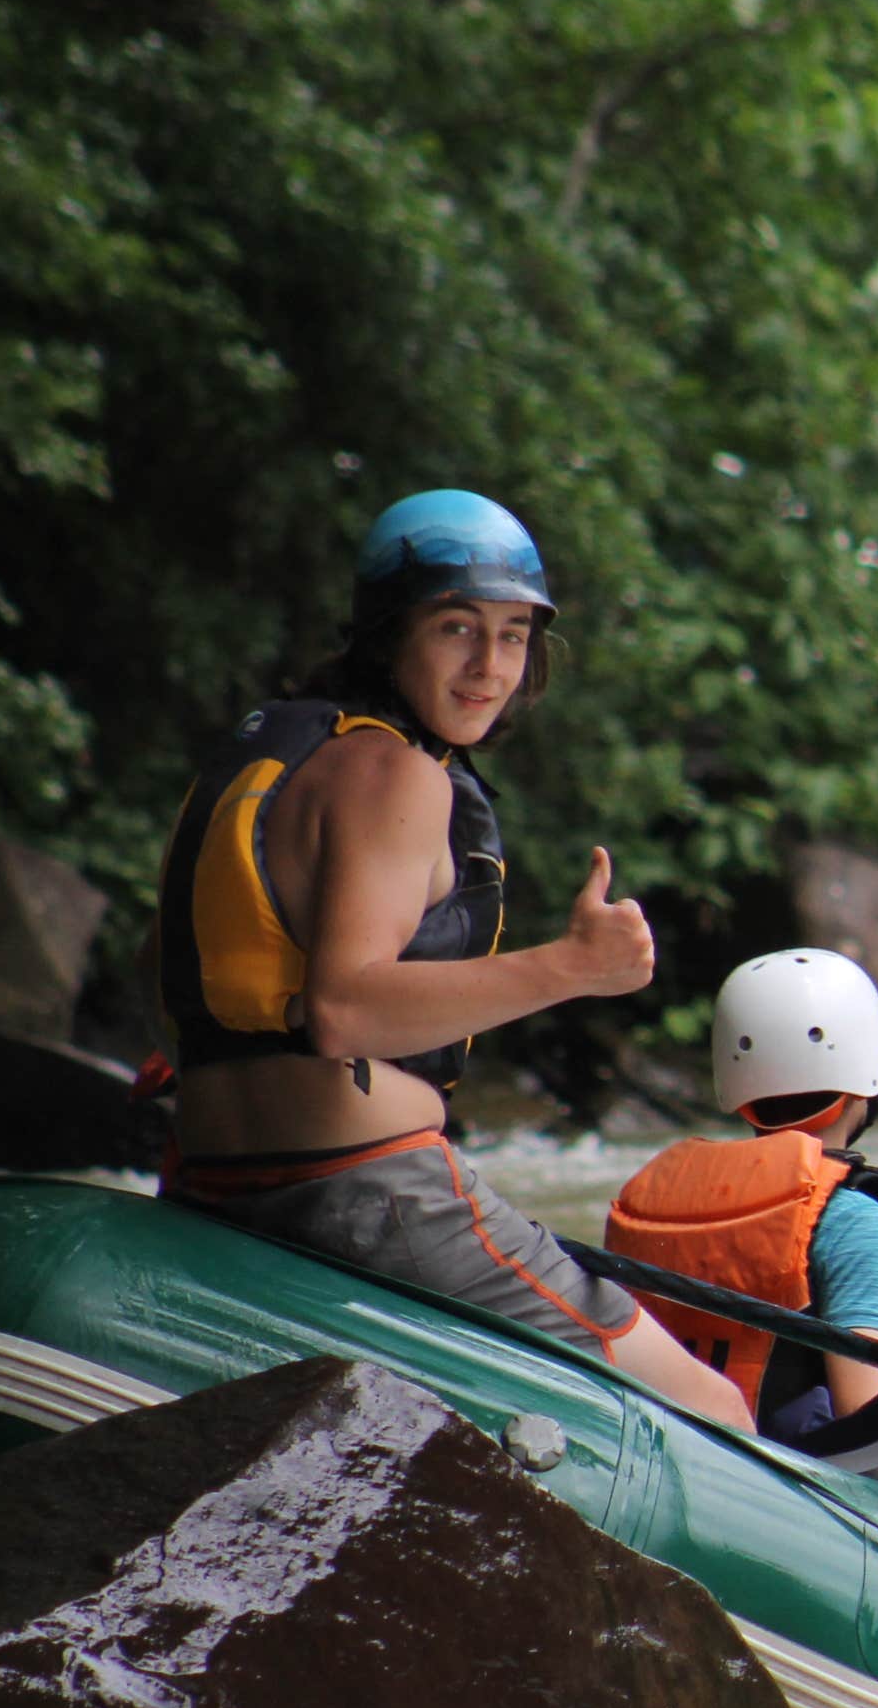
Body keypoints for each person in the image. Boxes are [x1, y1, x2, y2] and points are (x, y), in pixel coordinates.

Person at [149, 488, 751, 1431]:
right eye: (457, 628)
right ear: (390, 632)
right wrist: (573, 967)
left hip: (210, 1175)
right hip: (365, 1188)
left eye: (513, 636)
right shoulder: (398, 774)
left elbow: (191, 981)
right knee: (715, 1408)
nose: (489, 666)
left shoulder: (272, 753)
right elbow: (344, 1011)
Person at [603, 949, 878, 1444]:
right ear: (870, 1071)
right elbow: (870, 1425)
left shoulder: (653, 1196)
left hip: (657, 1448)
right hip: (797, 1474)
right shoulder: (855, 1219)